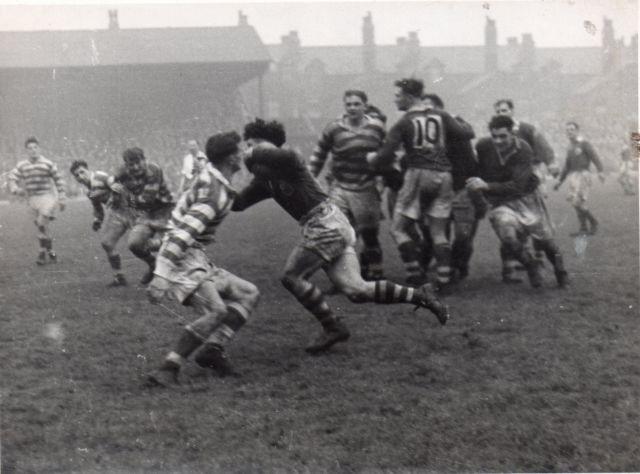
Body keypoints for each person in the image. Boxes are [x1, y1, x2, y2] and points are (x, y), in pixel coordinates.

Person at [232, 119, 449, 355]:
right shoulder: (264, 180)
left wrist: (253, 151)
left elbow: (283, 156)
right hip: (331, 224)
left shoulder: (289, 161)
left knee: (292, 276)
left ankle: (332, 326)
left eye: (252, 144)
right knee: (357, 290)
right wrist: (217, 183)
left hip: (324, 224)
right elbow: (239, 203)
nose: (248, 151)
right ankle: (421, 295)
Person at [146, 132, 260, 387]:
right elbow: (183, 234)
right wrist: (161, 275)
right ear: (231, 158)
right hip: (182, 257)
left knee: (248, 293)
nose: (242, 154)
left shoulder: (214, 179)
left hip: (194, 255)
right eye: (239, 151)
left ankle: (212, 351)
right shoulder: (214, 191)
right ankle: (168, 367)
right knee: (217, 311)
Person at [367, 78, 475, 289]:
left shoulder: (404, 121)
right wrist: (456, 118)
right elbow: (467, 133)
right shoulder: (441, 115)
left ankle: (415, 275)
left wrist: (371, 158)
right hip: (444, 176)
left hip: (418, 173)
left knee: (398, 229)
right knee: (438, 231)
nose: (395, 99)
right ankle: (443, 281)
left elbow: (385, 155)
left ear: (409, 96)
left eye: (398, 95)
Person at [469, 115, 568, 289]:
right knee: (507, 236)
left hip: (527, 197)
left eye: (503, 136)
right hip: (501, 201)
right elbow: (477, 171)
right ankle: (531, 266)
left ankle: (561, 272)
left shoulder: (523, 148)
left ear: (512, 134)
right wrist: (478, 194)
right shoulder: (483, 146)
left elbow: (518, 185)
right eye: (495, 136)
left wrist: (486, 186)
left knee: (545, 241)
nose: (498, 141)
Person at [308, 90, 387, 280]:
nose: (352, 108)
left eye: (356, 104)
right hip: (340, 187)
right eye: (348, 104)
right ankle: (343, 277)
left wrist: (383, 179)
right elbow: (319, 155)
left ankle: (375, 272)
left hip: (366, 187)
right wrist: (309, 180)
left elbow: (388, 153)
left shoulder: (376, 128)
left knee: (369, 234)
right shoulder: (333, 128)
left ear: (365, 106)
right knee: (339, 233)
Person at [494, 99, 559, 281]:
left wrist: (551, 164)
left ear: (512, 111)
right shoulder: (498, 132)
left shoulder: (526, 128)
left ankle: (538, 258)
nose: (501, 113)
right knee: (508, 222)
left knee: (536, 220)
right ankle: (511, 267)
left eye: (504, 110)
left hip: (531, 177)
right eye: (498, 110)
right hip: (509, 181)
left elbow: (544, 147)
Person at [423, 94, 485, 282]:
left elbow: (468, 136)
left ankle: (460, 265)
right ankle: (446, 267)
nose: (426, 113)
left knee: (463, 234)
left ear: (441, 110)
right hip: (437, 190)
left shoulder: (456, 124)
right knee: (438, 232)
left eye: (430, 108)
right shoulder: (422, 131)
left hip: (461, 187)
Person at [110, 147, 174, 284]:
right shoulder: (122, 173)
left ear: (144, 160)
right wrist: (115, 198)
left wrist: (126, 198)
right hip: (146, 214)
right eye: (131, 164)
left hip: (165, 210)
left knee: (175, 247)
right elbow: (115, 185)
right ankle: (153, 265)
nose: (136, 167)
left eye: (138, 162)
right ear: (126, 165)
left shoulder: (153, 170)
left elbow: (146, 200)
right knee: (134, 244)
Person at [69, 160, 133, 286]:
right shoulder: (89, 191)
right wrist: (97, 220)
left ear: (89, 170)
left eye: (82, 172)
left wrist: (113, 197)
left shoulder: (99, 176)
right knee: (107, 243)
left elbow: (118, 185)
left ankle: (156, 266)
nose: (80, 176)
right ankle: (119, 277)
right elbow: (98, 209)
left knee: (143, 243)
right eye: (77, 175)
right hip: (117, 213)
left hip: (132, 209)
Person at [8, 137, 66, 265]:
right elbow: (12, 177)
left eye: (35, 147)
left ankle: (41, 253)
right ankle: (51, 252)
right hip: (32, 199)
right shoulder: (22, 165)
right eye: (30, 148)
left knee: (41, 223)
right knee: (43, 228)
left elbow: (58, 180)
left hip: (48, 197)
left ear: (39, 148)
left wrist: (62, 197)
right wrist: (15, 189)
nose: (33, 150)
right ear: (26, 150)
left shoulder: (48, 163)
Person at [554, 122, 605, 236]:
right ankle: (583, 228)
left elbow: (595, 157)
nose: (569, 132)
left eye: (572, 129)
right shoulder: (570, 146)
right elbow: (567, 166)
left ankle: (593, 222)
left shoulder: (584, 143)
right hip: (573, 176)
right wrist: (559, 181)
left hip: (583, 175)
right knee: (574, 202)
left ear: (577, 131)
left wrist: (600, 171)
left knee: (578, 202)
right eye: (567, 130)